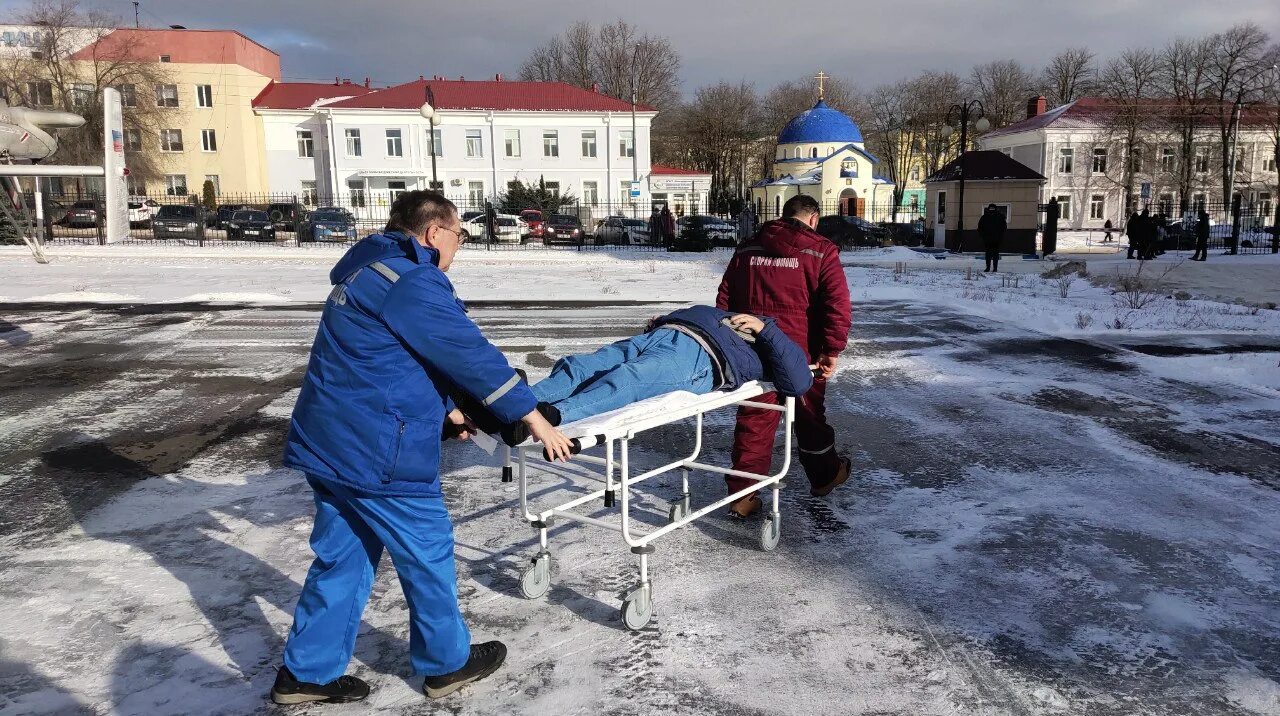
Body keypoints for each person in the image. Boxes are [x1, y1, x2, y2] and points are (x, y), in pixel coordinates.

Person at [271, 190, 572, 705]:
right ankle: (446, 665)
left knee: (342, 559)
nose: (461, 245)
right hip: (377, 452)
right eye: (460, 234)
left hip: (331, 442)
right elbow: (468, 355)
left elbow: (387, 358)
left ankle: (306, 674)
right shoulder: (413, 281)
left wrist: (447, 412)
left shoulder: (368, 272)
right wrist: (531, 417)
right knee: (427, 553)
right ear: (434, 232)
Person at [716, 194, 852, 518]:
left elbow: (724, 299)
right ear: (813, 219)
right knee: (808, 416)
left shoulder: (748, 248)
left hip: (751, 349)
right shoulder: (821, 251)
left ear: (783, 215)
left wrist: (729, 342)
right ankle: (824, 476)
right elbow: (837, 305)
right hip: (801, 351)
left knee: (754, 419)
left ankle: (743, 496)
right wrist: (831, 350)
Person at [523, 305, 813, 428]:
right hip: (664, 333)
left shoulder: (780, 340)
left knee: (628, 379)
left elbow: (798, 382)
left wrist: (765, 330)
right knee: (581, 366)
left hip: (702, 359)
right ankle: (519, 402)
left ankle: (551, 417)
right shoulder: (733, 311)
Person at [978, 204, 1006, 272]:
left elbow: (980, 228)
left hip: (991, 239)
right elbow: (1004, 228)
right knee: (994, 254)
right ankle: (993, 268)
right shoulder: (999, 216)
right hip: (993, 239)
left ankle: (989, 268)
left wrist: (983, 236)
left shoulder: (985, 217)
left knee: (989, 254)